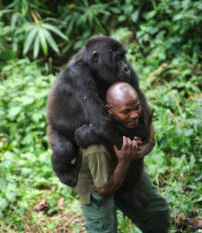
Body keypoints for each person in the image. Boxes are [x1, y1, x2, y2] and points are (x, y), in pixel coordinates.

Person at [73, 82, 170, 233]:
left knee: (157, 213)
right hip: (97, 181)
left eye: (136, 107)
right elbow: (103, 191)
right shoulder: (95, 144)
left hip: (128, 168)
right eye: (126, 112)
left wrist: (138, 152)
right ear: (109, 110)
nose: (134, 115)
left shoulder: (142, 112)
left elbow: (150, 141)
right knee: (103, 229)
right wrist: (125, 161)